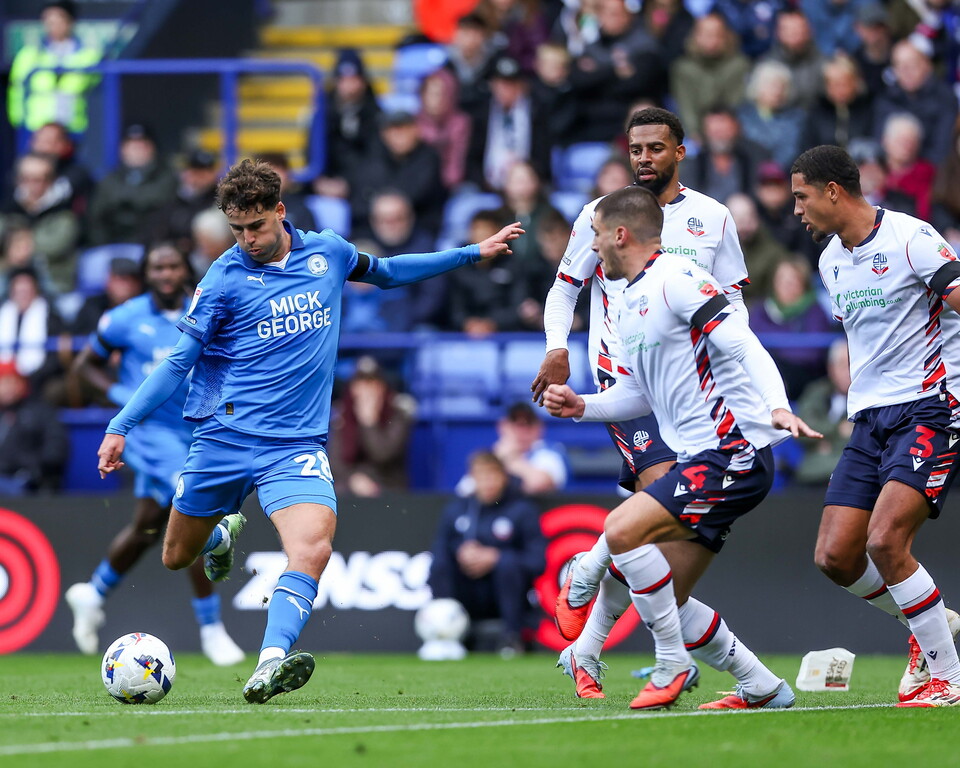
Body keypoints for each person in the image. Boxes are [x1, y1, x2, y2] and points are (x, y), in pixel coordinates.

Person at [95, 159, 524, 704]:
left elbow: (388, 271)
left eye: (256, 226)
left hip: (294, 445)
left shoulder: (329, 253)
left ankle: (269, 662)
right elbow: (178, 363)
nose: (247, 239)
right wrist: (121, 425)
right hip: (223, 439)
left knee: (312, 549)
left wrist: (470, 253)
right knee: (177, 555)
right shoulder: (222, 279)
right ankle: (220, 534)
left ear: (280, 211)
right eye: (237, 230)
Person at [542, 184, 819, 709]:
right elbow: (636, 393)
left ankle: (670, 660)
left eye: (598, 236)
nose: (593, 247)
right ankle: (761, 687)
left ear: (620, 235)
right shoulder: (626, 303)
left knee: (621, 530)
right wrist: (583, 406)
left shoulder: (681, 279)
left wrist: (778, 405)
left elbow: (744, 343)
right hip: (704, 458)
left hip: (732, 451)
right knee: (666, 592)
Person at [531, 108, 754, 697]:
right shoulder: (601, 217)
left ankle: (587, 644)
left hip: (693, 393)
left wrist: (732, 370)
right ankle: (669, 660)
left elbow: (733, 306)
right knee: (651, 525)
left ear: (681, 151)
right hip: (627, 389)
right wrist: (558, 348)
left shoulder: (713, 218)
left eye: (656, 148)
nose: (645, 159)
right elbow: (564, 289)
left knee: (652, 546)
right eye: (636, 150)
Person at [791, 144, 960, 707]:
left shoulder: (912, 238)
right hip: (869, 417)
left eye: (802, 196)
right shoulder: (829, 261)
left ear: (833, 191)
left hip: (931, 405)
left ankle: (947, 678)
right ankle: (926, 623)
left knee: (887, 540)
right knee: (835, 558)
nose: (796, 209)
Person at [65, 243, 244, 665]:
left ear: (186, 270)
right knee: (198, 513)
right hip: (149, 433)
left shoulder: (205, 309)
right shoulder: (126, 318)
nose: (166, 274)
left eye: (173, 266)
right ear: (147, 274)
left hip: (195, 428)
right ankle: (212, 629)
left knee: (149, 526)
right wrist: (125, 397)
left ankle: (93, 592)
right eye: (157, 267)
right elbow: (84, 366)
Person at [428, 450, 547, 655]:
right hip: (467, 591)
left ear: (503, 477)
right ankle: (445, 634)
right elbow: (439, 554)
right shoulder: (456, 510)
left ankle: (512, 638)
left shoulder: (522, 510)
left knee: (507, 563)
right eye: (481, 476)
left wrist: (496, 557)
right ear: (472, 479)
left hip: (508, 593)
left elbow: (537, 561)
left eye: (492, 475)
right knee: (441, 565)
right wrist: (461, 554)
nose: (487, 482)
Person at [6, 0, 101, 135]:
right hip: (36, 128)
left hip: (74, 128)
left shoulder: (89, 56)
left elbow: (97, 92)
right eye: (49, 21)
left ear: (70, 21)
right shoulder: (28, 55)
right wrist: (20, 122)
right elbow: (16, 90)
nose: (53, 26)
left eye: (59, 20)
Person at [328, 356, 416, 497]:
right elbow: (334, 461)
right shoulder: (343, 415)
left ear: (382, 387)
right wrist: (353, 479)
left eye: (372, 383)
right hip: (351, 486)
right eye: (361, 383)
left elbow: (382, 455)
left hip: (388, 487)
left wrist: (369, 422)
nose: (366, 390)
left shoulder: (398, 414)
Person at [87, 123, 178, 246]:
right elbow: (95, 218)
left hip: (154, 246)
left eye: (142, 145)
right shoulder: (109, 180)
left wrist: (122, 201)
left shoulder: (167, 178)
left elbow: (166, 208)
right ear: (122, 149)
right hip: (111, 246)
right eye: (132, 145)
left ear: (152, 148)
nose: (137, 150)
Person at [0, 361, 67, 494]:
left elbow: (56, 449)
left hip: (25, 481)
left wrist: (35, 470)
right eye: (4, 382)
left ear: (23, 384)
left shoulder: (41, 412)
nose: (9, 387)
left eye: (14, 381)